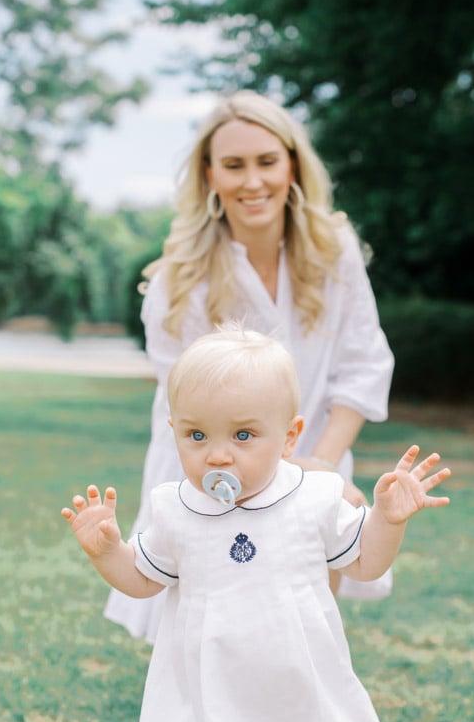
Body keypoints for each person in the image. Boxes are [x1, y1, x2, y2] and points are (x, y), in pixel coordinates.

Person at [62, 328, 451, 722]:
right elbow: (141, 581)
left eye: (243, 436)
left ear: (290, 436)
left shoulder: (315, 498)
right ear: (174, 432)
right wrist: (107, 550)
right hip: (207, 691)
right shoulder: (173, 509)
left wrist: (386, 520)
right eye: (197, 436)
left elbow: (364, 565)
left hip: (302, 682)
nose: (218, 456)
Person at [104, 89, 395, 643]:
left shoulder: (335, 249)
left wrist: (320, 467)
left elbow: (364, 365)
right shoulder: (179, 277)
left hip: (317, 456)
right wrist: (248, 472)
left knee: (305, 632)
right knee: (209, 636)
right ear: (210, 175)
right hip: (212, 467)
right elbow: (185, 399)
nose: (252, 181)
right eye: (234, 165)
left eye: (267, 161)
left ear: (292, 165)